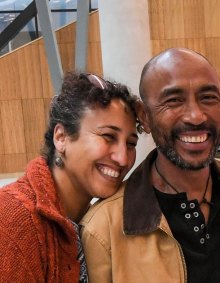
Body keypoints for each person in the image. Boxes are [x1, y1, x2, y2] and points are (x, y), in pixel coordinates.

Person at [81, 48, 220, 283]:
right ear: (144, 116)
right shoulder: (103, 231)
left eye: (208, 97)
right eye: (174, 100)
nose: (196, 116)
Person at [0, 71, 141, 282]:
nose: (123, 158)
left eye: (131, 143)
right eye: (108, 136)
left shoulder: (91, 220)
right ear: (61, 137)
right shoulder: (14, 220)